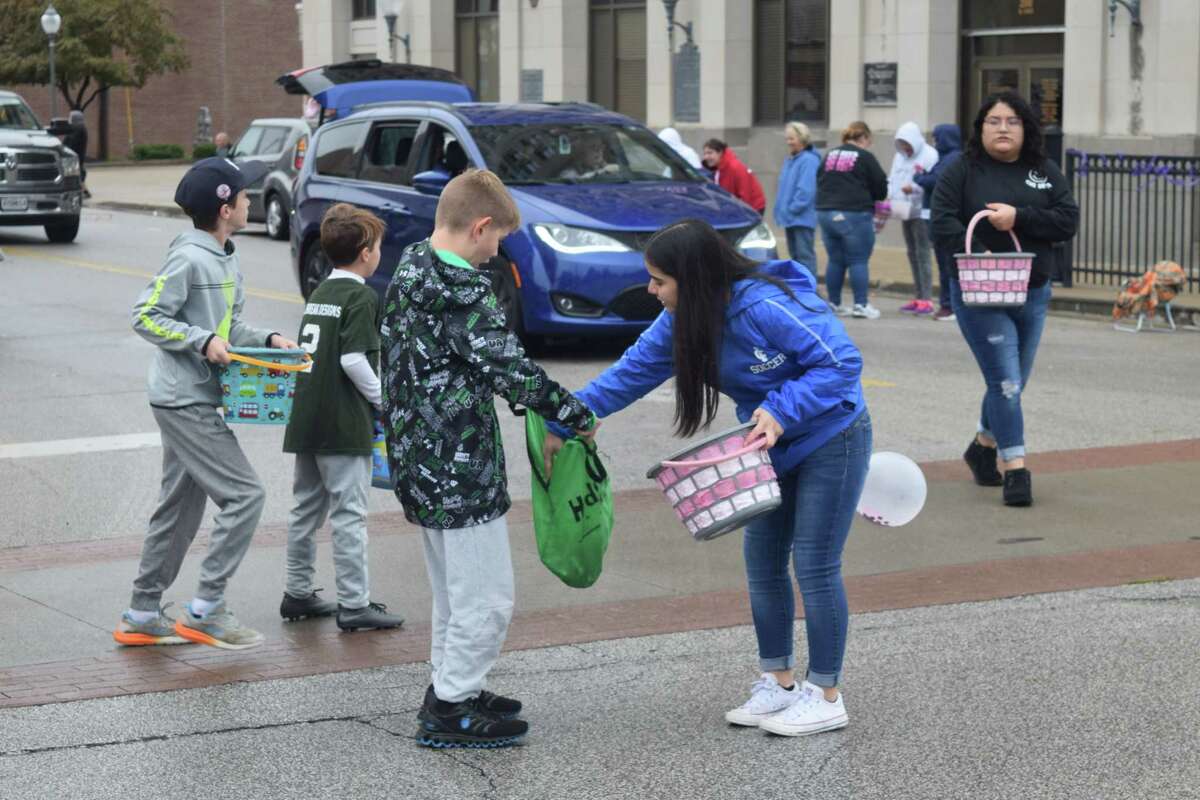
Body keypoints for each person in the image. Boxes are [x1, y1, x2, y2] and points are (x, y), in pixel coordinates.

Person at [544, 218, 871, 738]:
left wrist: (783, 409)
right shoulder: (681, 319)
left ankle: (826, 694)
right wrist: (566, 419)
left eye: (659, 281)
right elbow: (631, 372)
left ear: (691, 279)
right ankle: (778, 683)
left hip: (833, 436)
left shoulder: (766, 304)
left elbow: (840, 364)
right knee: (762, 564)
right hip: (769, 448)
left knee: (813, 563)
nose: (651, 291)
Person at [380, 169, 597, 748]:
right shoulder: (464, 290)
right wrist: (575, 414)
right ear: (479, 228)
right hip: (460, 464)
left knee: (453, 592)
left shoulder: (410, 263)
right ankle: (451, 709)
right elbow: (510, 370)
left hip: (416, 458)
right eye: (498, 237)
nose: (498, 250)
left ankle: (453, 686)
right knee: (487, 596)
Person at [114, 158, 298, 650]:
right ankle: (207, 609)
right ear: (224, 207)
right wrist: (198, 341)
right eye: (243, 195)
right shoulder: (190, 258)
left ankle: (141, 612)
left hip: (193, 395)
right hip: (182, 399)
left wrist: (269, 337)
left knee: (179, 511)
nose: (249, 201)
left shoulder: (225, 255)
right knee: (246, 496)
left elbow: (229, 329)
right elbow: (145, 316)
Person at [931, 91, 1078, 507]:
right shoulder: (962, 170)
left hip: (1033, 289)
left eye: (1012, 121)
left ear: (1025, 128)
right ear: (981, 128)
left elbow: (1068, 220)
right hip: (980, 292)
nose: (1002, 128)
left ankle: (982, 445)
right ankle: (1015, 469)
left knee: (1015, 380)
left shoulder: (1044, 171)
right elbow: (940, 223)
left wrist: (1020, 217)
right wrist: (977, 246)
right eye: (993, 120)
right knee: (1006, 383)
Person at [280, 203, 405, 632]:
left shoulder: (321, 292)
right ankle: (354, 604)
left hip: (307, 420)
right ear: (367, 251)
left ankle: (296, 591)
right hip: (341, 423)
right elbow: (354, 359)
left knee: (305, 511)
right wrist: (384, 402)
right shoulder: (361, 296)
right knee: (349, 515)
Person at [816, 121, 888, 319]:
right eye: (869, 141)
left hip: (825, 212)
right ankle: (860, 305)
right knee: (858, 259)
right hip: (854, 213)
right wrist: (876, 198)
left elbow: (819, 179)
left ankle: (834, 303)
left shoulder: (829, 155)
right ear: (864, 138)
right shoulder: (865, 156)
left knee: (836, 260)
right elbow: (880, 185)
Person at [914, 124, 964, 321]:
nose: (935, 142)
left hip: (941, 217)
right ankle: (949, 304)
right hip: (933, 214)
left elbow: (935, 180)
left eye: (937, 138)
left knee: (946, 263)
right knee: (944, 262)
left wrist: (919, 176)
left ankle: (949, 305)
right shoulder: (946, 158)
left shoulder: (952, 159)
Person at [889, 122, 939, 316]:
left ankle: (926, 298)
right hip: (903, 207)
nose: (905, 148)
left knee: (923, 252)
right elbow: (892, 177)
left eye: (907, 144)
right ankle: (918, 296)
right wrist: (889, 194)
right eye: (901, 144)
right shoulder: (899, 156)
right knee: (911, 251)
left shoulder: (930, 155)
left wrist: (915, 188)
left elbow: (932, 181)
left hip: (921, 209)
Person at [773, 121, 821, 270]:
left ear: (802, 139)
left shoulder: (808, 160)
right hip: (791, 218)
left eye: (792, 138)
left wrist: (791, 209)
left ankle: (808, 290)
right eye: (787, 138)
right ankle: (800, 289)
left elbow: (806, 191)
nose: (789, 142)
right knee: (796, 258)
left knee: (804, 257)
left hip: (801, 219)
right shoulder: (791, 160)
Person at [702, 138, 766, 213]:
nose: (706, 157)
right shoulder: (717, 167)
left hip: (753, 207)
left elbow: (745, 193)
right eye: (705, 154)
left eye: (710, 153)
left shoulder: (734, 167)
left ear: (720, 153)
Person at [63, 109, 89, 197]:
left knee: (74, 173)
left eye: (70, 117)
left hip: (74, 155)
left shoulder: (77, 128)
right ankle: (84, 190)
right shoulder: (81, 127)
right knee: (78, 172)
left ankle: (83, 191)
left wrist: (65, 149)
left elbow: (72, 142)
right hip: (78, 155)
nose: (68, 119)